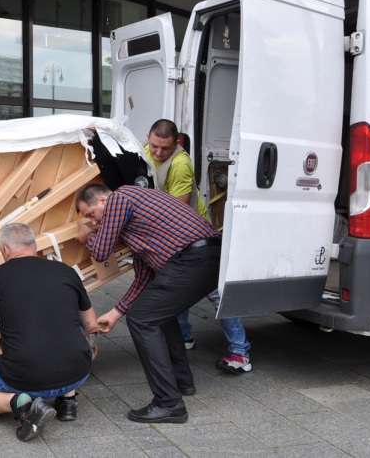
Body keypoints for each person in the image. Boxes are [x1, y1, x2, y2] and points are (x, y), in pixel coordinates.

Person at [75, 183, 220, 424]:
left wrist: (86, 236)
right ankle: (182, 382)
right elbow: (145, 279)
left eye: (91, 214)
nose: (95, 221)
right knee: (157, 313)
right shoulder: (139, 227)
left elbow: (100, 251)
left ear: (102, 200)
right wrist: (115, 312)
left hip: (192, 258)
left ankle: (168, 403)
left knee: (142, 320)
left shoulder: (120, 198)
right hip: (205, 258)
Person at [0, 223, 98, 442]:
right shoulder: (65, 271)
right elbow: (91, 324)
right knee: (64, 330)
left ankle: (22, 403)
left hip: (23, 377)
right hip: (78, 373)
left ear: (6, 250)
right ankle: (68, 402)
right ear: (34, 246)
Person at [144, 119, 251, 374]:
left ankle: (240, 353)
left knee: (216, 293)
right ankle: (184, 338)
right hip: (172, 237)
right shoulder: (144, 151)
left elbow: (176, 209)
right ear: (147, 137)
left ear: (176, 144)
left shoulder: (180, 164)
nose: (158, 153)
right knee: (174, 288)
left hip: (198, 236)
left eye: (165, 149)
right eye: (154, 146)